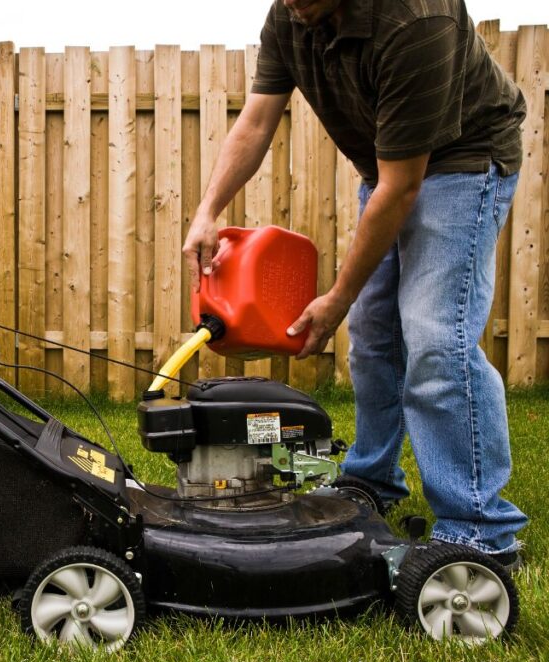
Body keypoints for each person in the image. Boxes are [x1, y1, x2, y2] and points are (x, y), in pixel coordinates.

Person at [182, 0, 527, 564]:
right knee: (373, 340)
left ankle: (479, 527)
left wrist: (338, 298)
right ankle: (373, 479)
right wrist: (207, 211)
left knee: (437, 337)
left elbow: (402, 186)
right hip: (387, 168)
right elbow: (258, 117)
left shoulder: (417, 19)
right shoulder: (290, 15)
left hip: (464, 160)